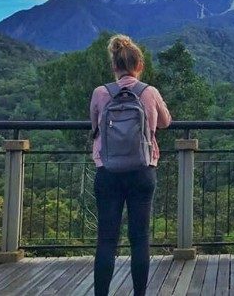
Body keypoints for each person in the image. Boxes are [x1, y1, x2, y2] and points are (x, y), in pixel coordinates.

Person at [89, 34, 171, 296]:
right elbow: (165, 122)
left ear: (114, 66)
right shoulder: (149, 92)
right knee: (140, 239)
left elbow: (95, 126)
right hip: (142, 170)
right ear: (140, 66)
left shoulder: (101, 93)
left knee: (106, 239)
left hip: (108, 171)